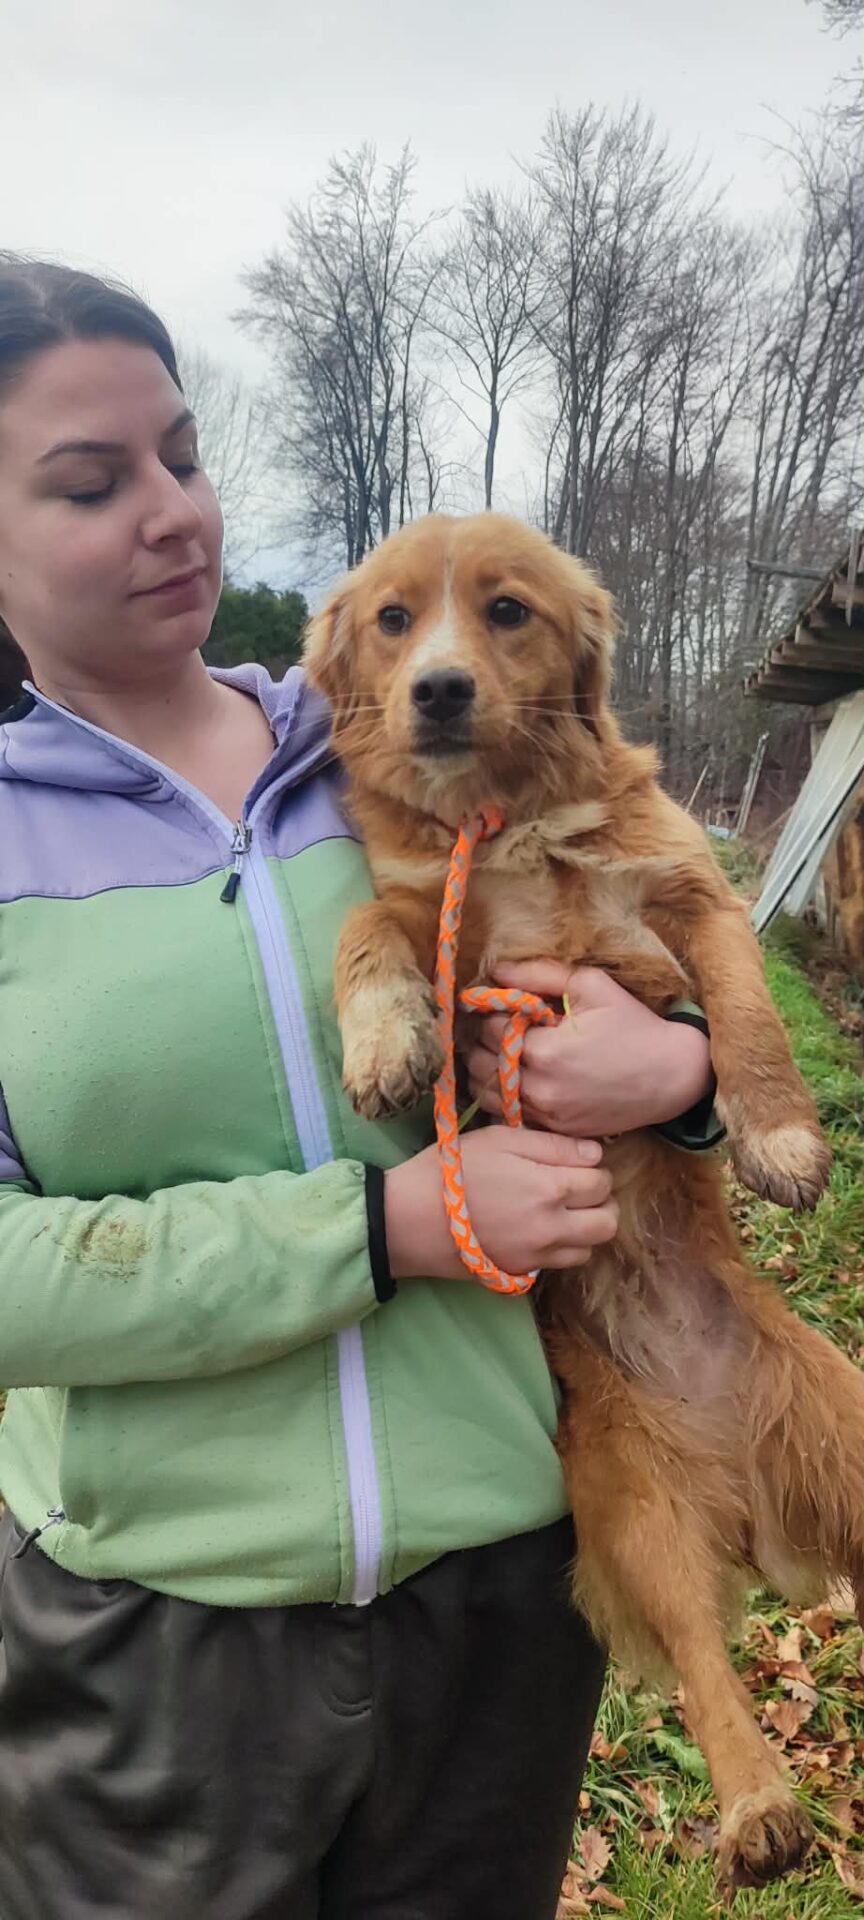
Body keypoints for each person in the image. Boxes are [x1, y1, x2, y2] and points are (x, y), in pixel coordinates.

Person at [0, 255, 719, 1920]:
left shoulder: (399, 748)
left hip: (498, 1598)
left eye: (184, 455)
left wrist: (678, 1077)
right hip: (154, 1633)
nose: (173, 513)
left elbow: (656, 916)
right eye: (92, 484)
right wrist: (380, 1227)